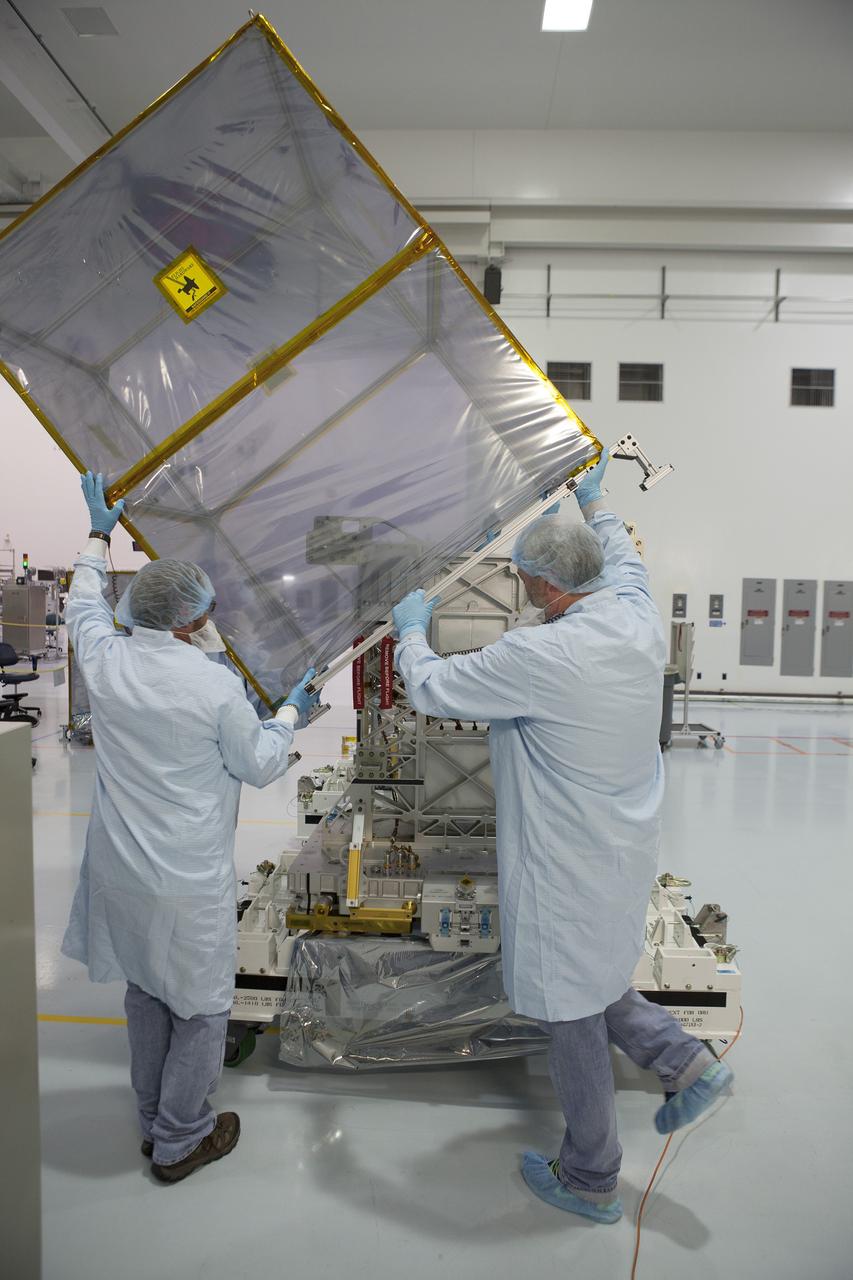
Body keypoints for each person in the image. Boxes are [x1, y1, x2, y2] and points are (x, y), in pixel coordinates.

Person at [390, 451, 733, 1224]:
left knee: (569, 1010)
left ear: (543, 585)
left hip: (560, 859)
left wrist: (411, 632)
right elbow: (625, 557)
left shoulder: (540, 654)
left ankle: (589, 1176)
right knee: (595, 970)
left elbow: (433, 687)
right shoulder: (633, 615)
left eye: (523, 580)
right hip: (621, 842)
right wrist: (597, 502)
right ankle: (684, 1063)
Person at [62, 472, 321, 1184]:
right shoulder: (213, 687)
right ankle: (181, 1138)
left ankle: (151, 1121)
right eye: (205, 612)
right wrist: (294, 713)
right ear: (186, 624)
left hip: (120, 867)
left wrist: (95, 535)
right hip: (183, 877)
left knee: (144, 993)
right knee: (204, 1010)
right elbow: (261, 762)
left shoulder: (107, 658)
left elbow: (81, 602)